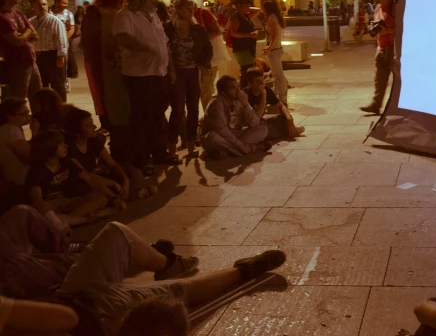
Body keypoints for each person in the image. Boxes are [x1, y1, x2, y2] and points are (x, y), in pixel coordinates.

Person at [50, 221, 286, 336]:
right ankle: (243, 270)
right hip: (92, 319)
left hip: (66, 297)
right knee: (173, 300)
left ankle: (168, 264)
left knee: (115, 231)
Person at [113, 0, 172, 173]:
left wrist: (171, 68)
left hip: (159, 72)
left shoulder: (153, 15)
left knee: (158, 114)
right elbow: (121, 37)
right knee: (142, 117)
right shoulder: (126, 16)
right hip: (140, 75)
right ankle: (142, 157)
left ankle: (160, 152)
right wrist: (142, 47)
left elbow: (164, 42)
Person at [64, 107, 157, 203]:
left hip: (97, 177)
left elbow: (111, 163)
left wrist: (125, 179)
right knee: (95, 190)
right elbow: (86, 176)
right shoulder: (69, 149)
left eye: (92, 123)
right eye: (88, 125)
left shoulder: (93, 141)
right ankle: (127, 196)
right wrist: (112, 183)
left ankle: (122, 195)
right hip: (82, 182)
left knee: (133, 172)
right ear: (76, 131)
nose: (94, 127)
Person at [26, 129, 110, 233]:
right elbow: (38, 200)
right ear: (50, 148)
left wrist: (113, 197)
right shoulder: (37, 171)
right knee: (40, 211)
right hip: (47, 207)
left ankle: (64, 221)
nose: (66, 146)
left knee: (100, 198)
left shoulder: (66, 163)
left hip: (64, 202)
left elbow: (89, 178)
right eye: (62, 145)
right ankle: (78, 220)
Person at [164, 0, 212, 158]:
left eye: (192, 9)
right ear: (178, 10)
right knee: (177, 109)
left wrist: (205, 63)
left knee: (193, 109)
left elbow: (208, 47)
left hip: (193, 71)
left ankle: (191, 142)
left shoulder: (198, 29)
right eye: (187, 9)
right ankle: (172, 144)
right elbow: (163, 49)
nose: (191, 12)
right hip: (176, 73)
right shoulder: (169, 28)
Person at [81, 0, 131, 135]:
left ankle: (111, 123)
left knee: (104, 95)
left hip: (99, 61)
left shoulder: (93, 14)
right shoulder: (113, 15)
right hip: (109, 63)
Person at [201, 75, 269, 159]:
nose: (238, 90)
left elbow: (254, 123)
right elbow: (222, 130)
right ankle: (252, 148)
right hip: (219, 136)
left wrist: (246, 105)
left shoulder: (239, 101)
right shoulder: (216, 103)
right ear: (223, 93)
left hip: (233, 135)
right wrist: (241, 146)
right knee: (211, 137)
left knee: (262, 130)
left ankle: (227, 153)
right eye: (233, 87)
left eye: (238, 86)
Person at [0, 0, 41, 101]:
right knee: (19, 98)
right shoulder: (2, 17)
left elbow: (35, 35)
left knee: (38, 96)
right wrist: (27, 30)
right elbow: (16, 41)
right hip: (17, 63)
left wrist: (22, 33)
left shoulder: (19, 13)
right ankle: (18, 118)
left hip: (31, 60)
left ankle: (37, 119)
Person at [360, 0, 395, 115]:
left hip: (393, 48)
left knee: (398, 80)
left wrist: (387, 30)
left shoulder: (394, 7)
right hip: (381, 47)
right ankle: (376, 104)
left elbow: (401, 27)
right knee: (379, 79)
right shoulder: (377, 8)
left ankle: (399, 106)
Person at [242, 67, 304, 140]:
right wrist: (263, 95)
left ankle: (287, 130)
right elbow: (255, 119)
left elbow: (281, 106)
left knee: (283, 117)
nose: (262, 84)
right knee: (263, 129)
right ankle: (284, 131)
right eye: (258, 81)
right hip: (249, 125)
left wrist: (289, 119)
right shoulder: (245, 95)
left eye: (262, 80)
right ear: (250, 83)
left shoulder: (266, 89)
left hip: (261, 121)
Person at [29, 0, 68, 102]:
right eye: (39, 4)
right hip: (38, 56)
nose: (42, 7)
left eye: (44, 4)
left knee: (57, 83)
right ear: (33, 7)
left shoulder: (55, 21)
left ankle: (62, 106)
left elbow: (61, 39)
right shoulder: (31, 21)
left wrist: (61, 55)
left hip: (52, 55)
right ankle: (46, 107)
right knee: (41, 83)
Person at [194, 0, 223, 110]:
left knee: (206, 88)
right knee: (204, 88)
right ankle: (210, 113)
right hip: (200, 57)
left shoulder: (203, 13)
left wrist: (201, 39)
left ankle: (210, 114)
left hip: (209, 56)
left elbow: (217, 31)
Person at [261, 0, 289, 106]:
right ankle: (277, 96)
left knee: (279, 75)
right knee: (276, 75)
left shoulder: (272, 18)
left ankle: (282, 98)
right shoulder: (271, 16)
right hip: (275, 49)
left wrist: (269, 47)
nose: (261, 8)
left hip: (275, 49)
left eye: (262, 6)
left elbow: (275, 35)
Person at [0, 98, 31, 191]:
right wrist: (36, 133)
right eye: (23, 114)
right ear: (9, 116)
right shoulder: (11, 130)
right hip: (20, 177)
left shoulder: (8, 128)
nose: (28, 116)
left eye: (28, 112)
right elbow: (29, 156)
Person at [229, 0, 261, 77]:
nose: (248, 7)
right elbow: (233, 33)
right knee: (247, 71)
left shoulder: (246, 16)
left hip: (249, 48)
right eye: (246, 5)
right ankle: (244, 88)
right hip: (242, 49)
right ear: (240, 6)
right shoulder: (236, 18)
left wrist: (247, 8)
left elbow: (258, 10)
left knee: (250, 70)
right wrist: (249, 35)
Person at [50, 0, 75, 92]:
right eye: (63, 3)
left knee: (63, 63)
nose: (65, 5)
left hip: (63, 43)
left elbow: (71, 29)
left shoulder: (68, 14)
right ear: (56, 2)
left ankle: (64, 81)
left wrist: (64, 40)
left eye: (67, 3)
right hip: (49, 43)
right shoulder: (48, 12)